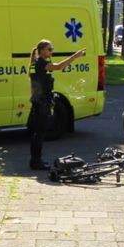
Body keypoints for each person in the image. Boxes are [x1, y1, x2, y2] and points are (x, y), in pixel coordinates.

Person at [28, 39, 86, 170]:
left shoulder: (37, 63)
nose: (51, 51)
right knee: (40, 132)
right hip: (42, 102)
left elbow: (33, 85)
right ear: (42, 50)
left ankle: (36, 159)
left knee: (39, 131)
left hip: (40, 101)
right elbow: (59, 67)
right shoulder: (41, 63)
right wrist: (75, 56)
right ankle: (36, 161)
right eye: (49, 49)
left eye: (52, 48)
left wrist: (34, 100)